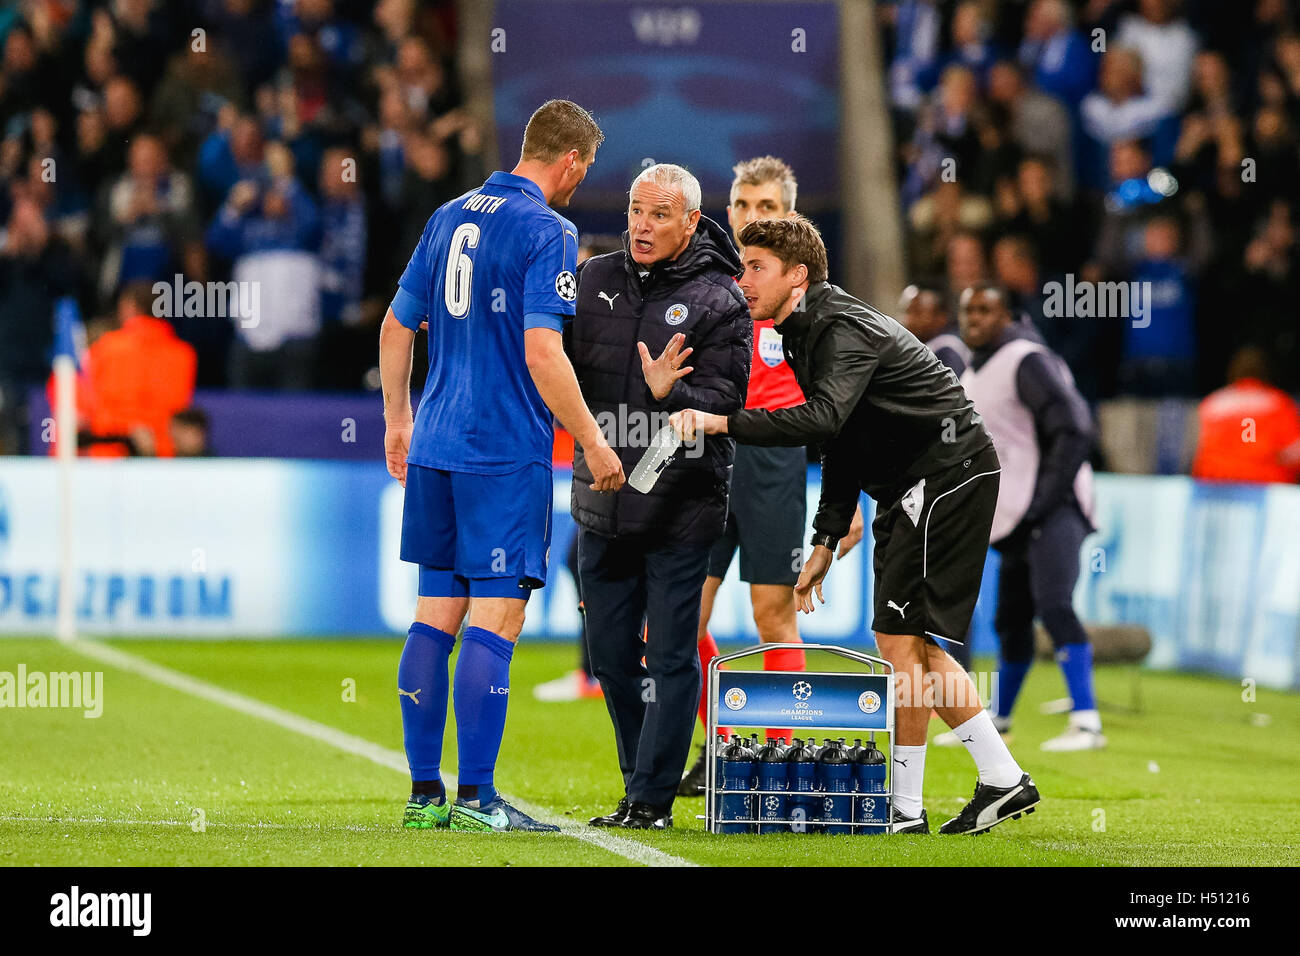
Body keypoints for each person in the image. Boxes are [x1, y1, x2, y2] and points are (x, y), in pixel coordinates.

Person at [673, 216, 1040, 835]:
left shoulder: (840, 326)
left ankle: (905, 808)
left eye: (756, 267)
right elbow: (840, 436)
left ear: (798, 275)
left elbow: (820, 420)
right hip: (912, 484)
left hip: (946, 474)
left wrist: (724, 423)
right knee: (912, 644)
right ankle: (1001, 780)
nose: (743, 279)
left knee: (900, 643)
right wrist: (825, 534)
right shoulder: (799, 329)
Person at [378, 99, 624, 833]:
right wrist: (591, 438)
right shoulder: (549, 229)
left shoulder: (449, 213)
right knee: (498, 618)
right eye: (586, 169)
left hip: (435, 445)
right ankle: (481, 800)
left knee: (433, 619)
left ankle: (426, 797)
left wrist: (398, 419)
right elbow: (542, 351)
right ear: (572, 162)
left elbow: (397, 325)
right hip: (501, 450)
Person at [572, 163, 751, 831]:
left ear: (689, 223)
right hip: (603, 499)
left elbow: (726, 406)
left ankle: (650, 801)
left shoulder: (720, 301)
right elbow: (553, 362)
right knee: (613, 656)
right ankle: (637, 782)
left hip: (682, 506)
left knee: (673, 655)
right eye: (635, 210)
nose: (641, 226)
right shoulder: (594, 280)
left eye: (658, 215)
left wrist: (666, 393)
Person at [678, 155, 863, 795]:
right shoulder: (707, 277)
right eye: (740, 205)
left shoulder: (810, 304)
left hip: (772, 459)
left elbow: (839, 403)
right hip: (706, 448)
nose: (750, 216)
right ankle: (723, 742)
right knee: (677, 618)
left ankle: (779, 762)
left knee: (772, 615)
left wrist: (850, 499)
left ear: (788, 216)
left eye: (765, 207)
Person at [950, 284, 1104, 751]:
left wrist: (1045, 500)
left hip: (1056, 507)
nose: (974, 318)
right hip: (1017, 513)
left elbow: (1076, 427)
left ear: (1010, 317)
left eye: (986, 310)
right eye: (968, 310)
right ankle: (1001, 720)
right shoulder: (975, 371)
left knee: (1054, 604)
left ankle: (1088, 722)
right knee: (1011, 619)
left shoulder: (1025, 359)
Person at [897, 282, 973, 672]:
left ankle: (954, 674)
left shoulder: (946, 352)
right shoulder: (938, 351)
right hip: (950, 479)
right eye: (907, 310)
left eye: (918, 311)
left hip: (949, 481)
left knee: (944, 582)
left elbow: (946, 415)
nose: (910, 319)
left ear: (941, 316)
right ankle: (944, 673)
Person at [1191, 346, 1300, 484]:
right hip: (1263, 483)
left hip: (1214, 484)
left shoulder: (1213, 402)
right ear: (1266, 372)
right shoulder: (1278, 403)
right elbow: (1294, 454)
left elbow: (1195, 450)